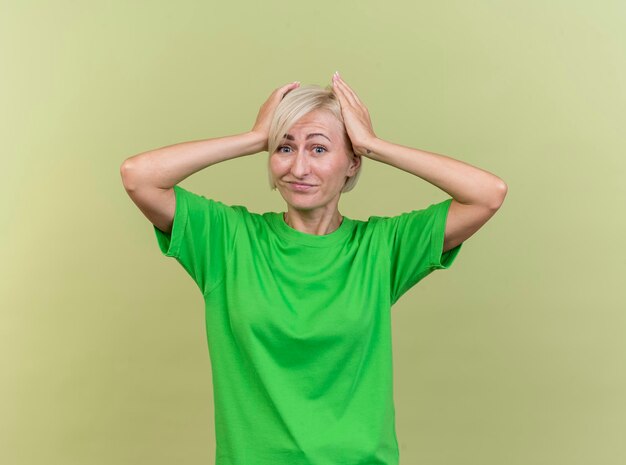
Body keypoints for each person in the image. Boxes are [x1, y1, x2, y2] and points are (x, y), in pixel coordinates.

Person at [120, 71, 507, 465]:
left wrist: (374, 145)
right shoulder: (227, 240)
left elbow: (487, 195)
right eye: (285, 149)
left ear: (351, 164)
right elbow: (139, 177)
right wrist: (254, 138)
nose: (298, 168)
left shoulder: (382, 247)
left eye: (319, 149)